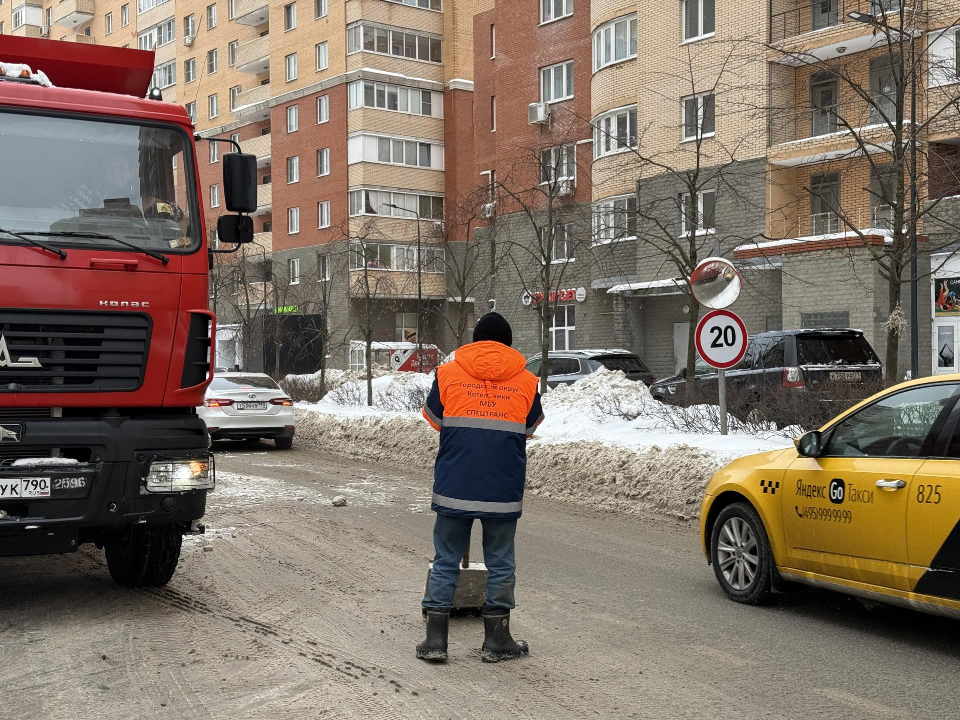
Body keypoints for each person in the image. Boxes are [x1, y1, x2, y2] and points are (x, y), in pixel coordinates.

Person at [417, 312, 544, 664]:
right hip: (502, 487)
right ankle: (497, 639)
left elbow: (434, 419)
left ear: (474, 341)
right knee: (500, 561)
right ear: (509, 343)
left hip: (455, 483)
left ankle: (435, 642)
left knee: (446, 558)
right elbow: (530, 427)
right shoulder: (527, 381)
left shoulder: (447, 374)